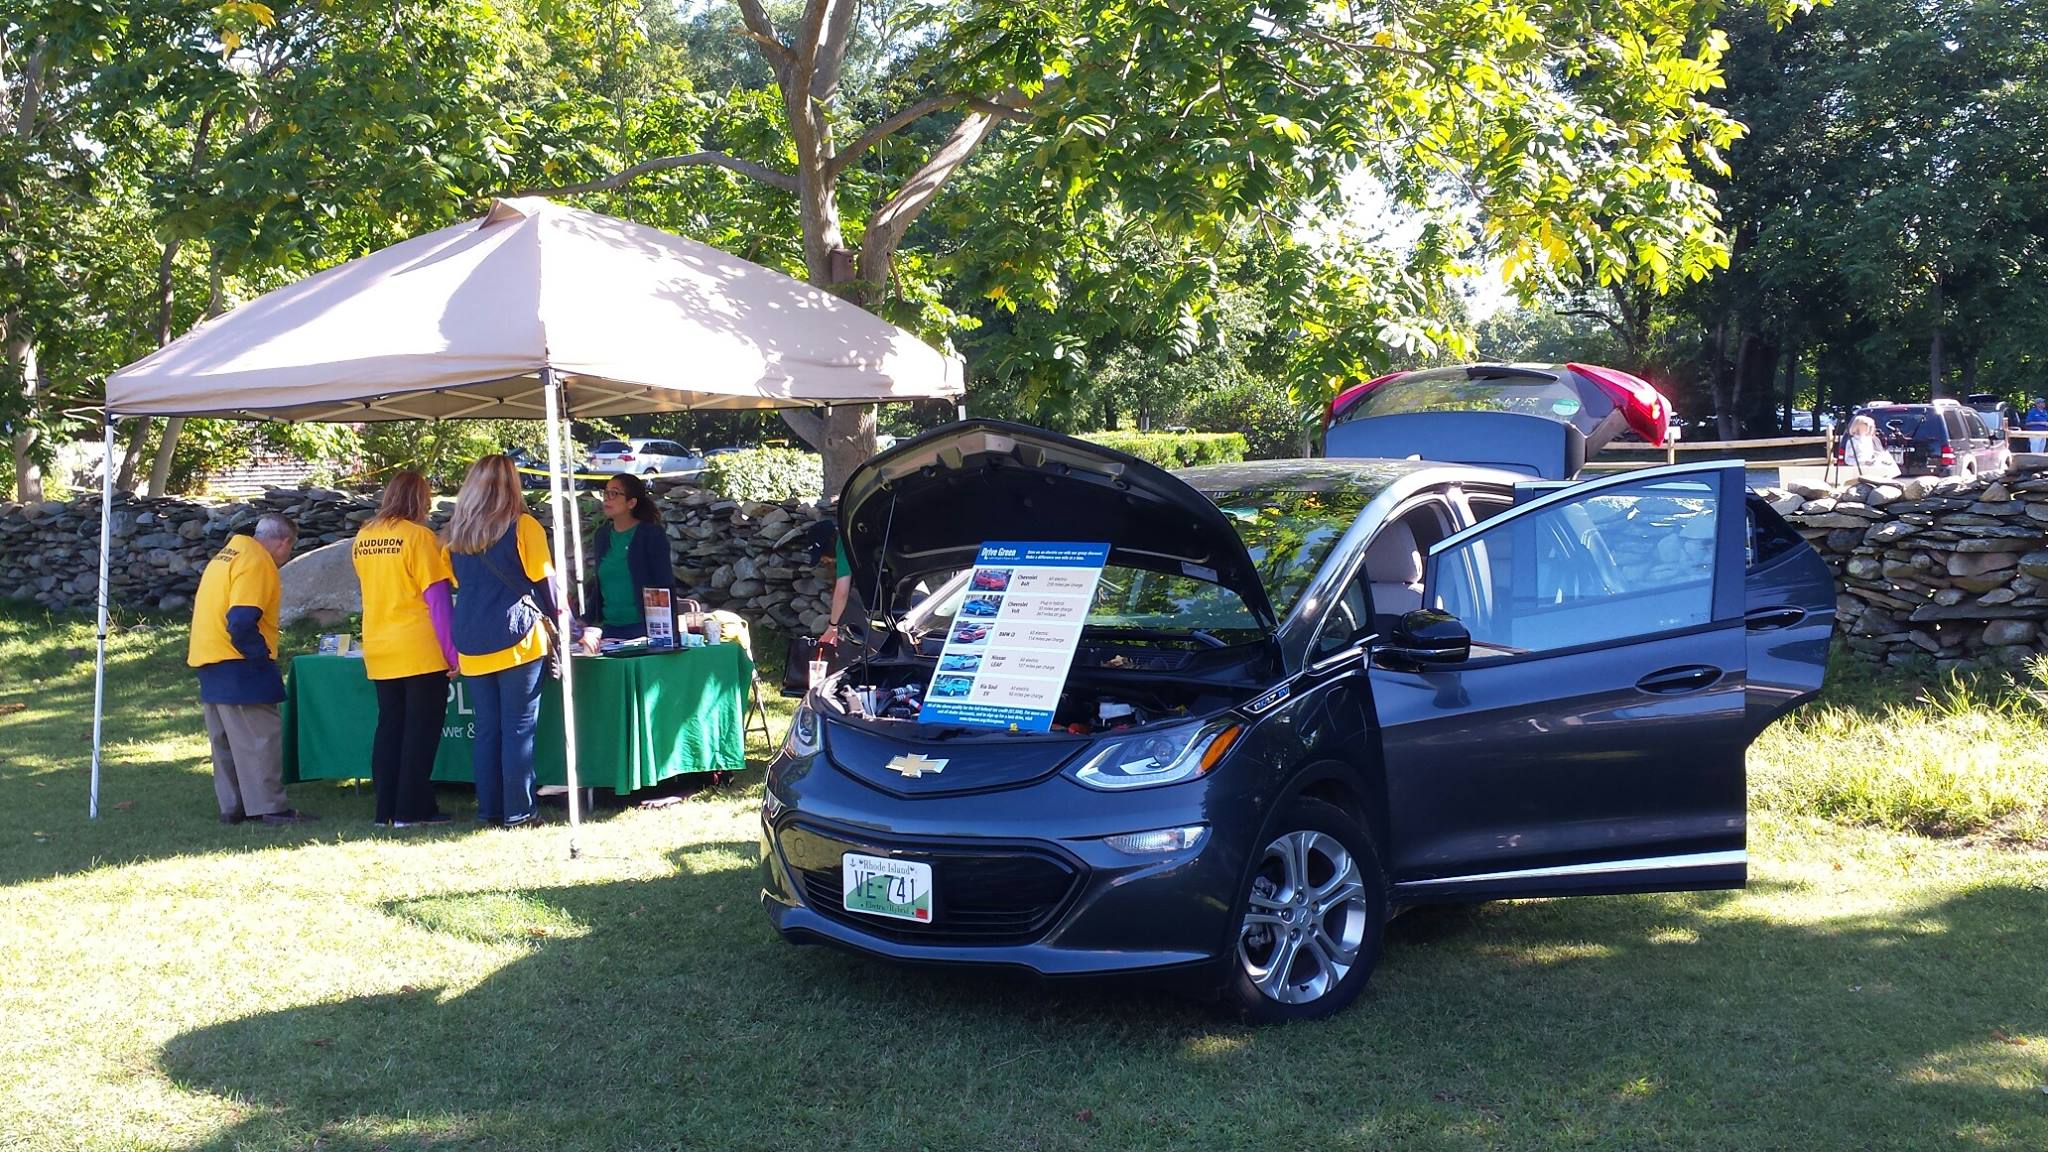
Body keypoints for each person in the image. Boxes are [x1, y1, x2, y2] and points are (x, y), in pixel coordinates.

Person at [444, 455, 561, 829]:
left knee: (488, 729)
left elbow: (459, 584)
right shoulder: (523, 527)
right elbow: (548, 587)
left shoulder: (454, 537)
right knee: (518, 728)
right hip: (518, 639)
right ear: (513, 484)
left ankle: (490, 810)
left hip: (472, 639)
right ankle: (520, 812)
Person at [188, 513, 315, 825]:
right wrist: (259, 660)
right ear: (284, 542)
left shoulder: (226, 555)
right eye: (290, 549)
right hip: (239, 662)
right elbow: (242, 620)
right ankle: (270, 806)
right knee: (260, 739)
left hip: (208, 656)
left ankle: (234, 807)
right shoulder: (257, 561)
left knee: (226, 743)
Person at [351, 470, 459, 828]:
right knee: (420, 731)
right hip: (418, 646)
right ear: (421, 499)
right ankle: (413, 809)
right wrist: (452, 652)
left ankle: (386, 809)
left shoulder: (364, 536)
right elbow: (438, 600)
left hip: (380, 645)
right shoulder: (419, 537)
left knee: (390, 728)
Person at [582, 472, 672, 642]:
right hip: (609, 631)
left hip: (644, 631)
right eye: (606, 493)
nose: (607, 498)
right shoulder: (602, 535)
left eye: (614, 493)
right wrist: (586, 619)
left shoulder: (651, 534)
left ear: (632, 502)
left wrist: (665, 635)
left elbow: (664, 583)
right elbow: (600, 584)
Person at [1841, 414, 1896, 479]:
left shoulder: (1868, 440)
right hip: (1858, 472)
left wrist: (1879, 456)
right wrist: (1864, 462)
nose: (1869, 427)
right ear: (1858, 425)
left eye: (1870, 425)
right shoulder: (1853, 441)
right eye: (1866, 424)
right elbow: (1848, 460)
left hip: (1871, 469)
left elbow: (1871, 454)